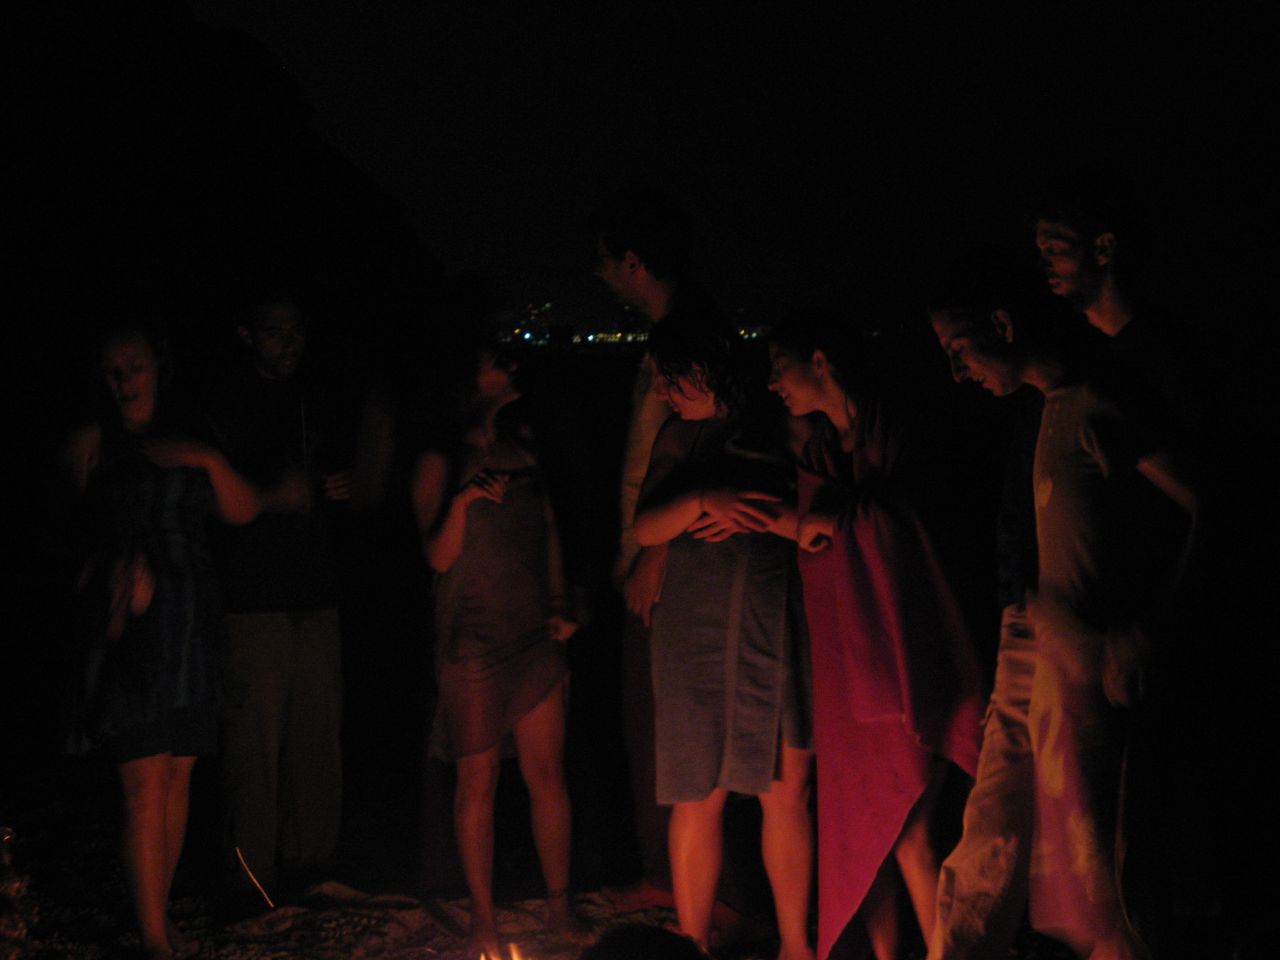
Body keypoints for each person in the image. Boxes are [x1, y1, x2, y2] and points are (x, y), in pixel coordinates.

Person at [927, 277, 1196, 959]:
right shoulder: (1041, 407)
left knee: (1097, 858)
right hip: (1039, 632)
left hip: (1083, 653)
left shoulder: (1094, 400)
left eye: (962, 348)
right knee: (1006, 825)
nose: (958, 372)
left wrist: (1145, 626)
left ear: (1001, 321)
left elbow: (1194, 503)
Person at [766, 312, 984, 960]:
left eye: (781, 363)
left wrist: (840, 517)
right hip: (852, 663)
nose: (773, 381)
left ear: (822, 361)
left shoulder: (897, 428)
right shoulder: (819, 451)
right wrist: (827, 519)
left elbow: (908, 527)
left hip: (909, 654)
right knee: (872, 834)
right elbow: (817, 542)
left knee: (912, 833)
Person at [61, 325, 260, 959]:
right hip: (132, 623)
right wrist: (114, 567)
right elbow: (62, 538)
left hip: (191, 617)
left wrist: (205, 459)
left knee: (178, 774)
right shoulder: (93, 444)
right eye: (113, 369)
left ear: (159, 368)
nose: (124, 380)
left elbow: (243, 510)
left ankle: (160, 917)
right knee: (143, 780)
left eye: (135, 366)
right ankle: (153, 940)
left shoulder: (189, 435)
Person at [633, 321, 814, 960]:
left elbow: (814, 515)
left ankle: (796, 946)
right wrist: (703, 499)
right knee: (697, 788)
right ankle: (693, 945)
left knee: (787, 787)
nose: (661, 388)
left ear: (710, 369)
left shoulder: (775, 424)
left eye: (671, 374)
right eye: (656, 375)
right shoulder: (678, 436)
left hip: (769, 615)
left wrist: (761, 511)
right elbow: (648, 525)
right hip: (694, 628)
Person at [411, 333, 578, 960]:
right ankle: (483, 915)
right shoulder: (438, 458)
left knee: (546, 774)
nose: (510, 365)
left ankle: (559, 904)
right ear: (465, 378)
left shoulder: (524, 444)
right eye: (494, 359)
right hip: (473, 642)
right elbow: (435, 554)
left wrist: (562, 605)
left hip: (533, 632)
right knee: (476, 782)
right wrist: (462, 499)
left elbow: (549, 529)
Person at [589, 186, 725, 891]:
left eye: (605, 262)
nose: (600, 276)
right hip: (651, 543)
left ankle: (692, 882)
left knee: (669, 716)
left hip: (676, 557)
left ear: (633, 262)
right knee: (652, 716)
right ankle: (665, 870)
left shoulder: (692, 337)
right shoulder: (668, 337)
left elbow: (703, 451)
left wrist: (653, 552)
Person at [204, 295, 350, 905]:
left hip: (315, 590)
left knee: (317, 737)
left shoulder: (314, 396)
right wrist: (274, 495)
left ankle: (311, 866)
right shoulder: (226, 405)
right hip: (253, 598)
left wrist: (341, 487)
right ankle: (252, 881)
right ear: (246, 334)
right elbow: (219, 502)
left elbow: (333, 475)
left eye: (296, 331)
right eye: (273, 332)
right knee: (254, 746)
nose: (288, 343)